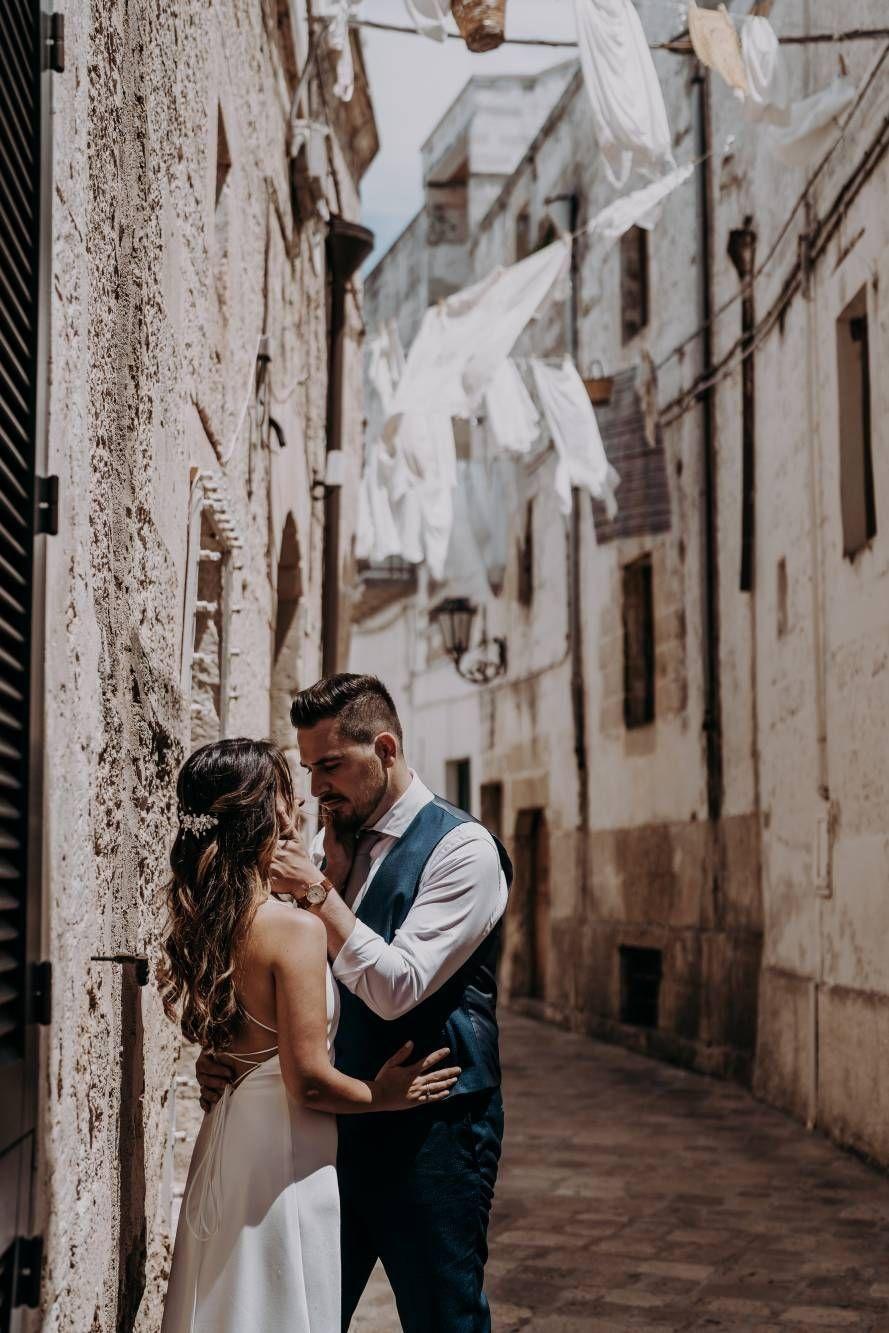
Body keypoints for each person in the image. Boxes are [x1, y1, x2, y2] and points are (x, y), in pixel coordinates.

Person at [197, 674, 512, 1332]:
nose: (316, 788)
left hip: (433, 1130)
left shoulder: (463, 850)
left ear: (386, 749)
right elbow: (270, 968)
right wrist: (232, 1054)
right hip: (328, 1124)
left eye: (331, 766)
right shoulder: (325, 847)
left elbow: (398, 987)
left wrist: (319, 894)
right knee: (309, 1312)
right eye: (309, 768)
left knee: (442, 1317)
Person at [160, 737, 460, 1333]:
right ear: (261, 813)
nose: (298, 804)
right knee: (279, 1300)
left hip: (230, 1136)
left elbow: (235, 1038)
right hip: (284, 1148)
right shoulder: (293, 930)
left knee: (229, 1297)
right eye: (284, 792)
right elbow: (310, 1084)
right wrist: (385, 1094)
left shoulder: (210, 920)